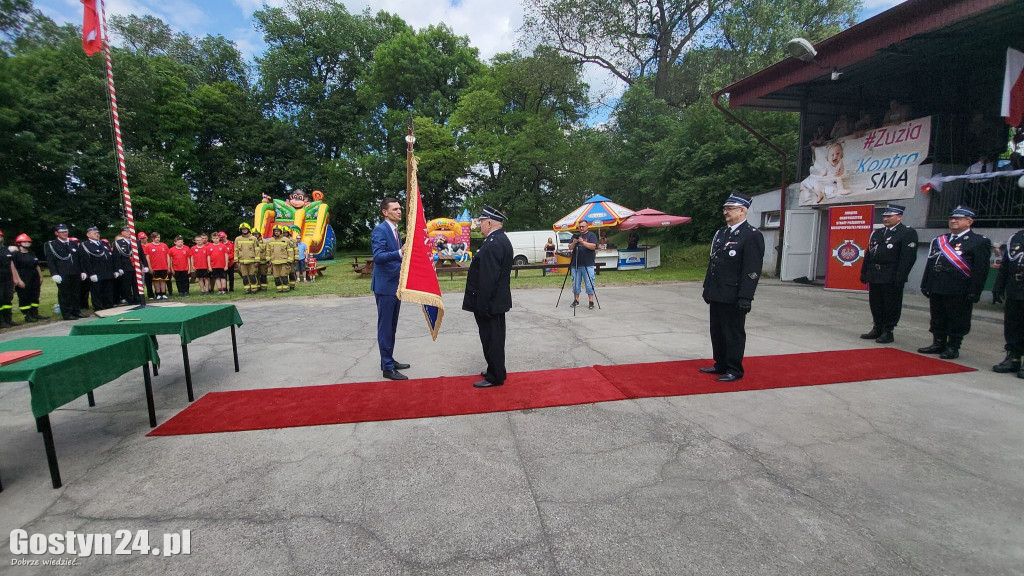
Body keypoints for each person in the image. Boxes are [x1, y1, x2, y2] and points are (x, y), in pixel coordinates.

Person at [699, 192, 765, 382]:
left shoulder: (751, 235)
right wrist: (707, 288)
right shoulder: (721, 233)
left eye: (730, 208)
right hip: (717, 292)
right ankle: (720, 363)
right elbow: (713, 263)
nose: (725, 212)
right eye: (725, 208)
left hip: (734, 294)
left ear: (742, 210)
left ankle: (734, 369)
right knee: (717, 331)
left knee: (733, 333)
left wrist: (746, 296)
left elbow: (752, 269)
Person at [918, 206, 992, 359]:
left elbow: (980, 270)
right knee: (937, 316)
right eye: (952, 218)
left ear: (969, 221)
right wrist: (926, 283)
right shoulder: (940, 240)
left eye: (958, 218)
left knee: (956, 318)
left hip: (959, 288)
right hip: (937, 285)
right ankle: (938, 343)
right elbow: (931, 263)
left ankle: (953, 346)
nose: (953, 221)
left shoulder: (978, 241)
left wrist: (974, 291)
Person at [463, 205, 513, 388]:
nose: (480, 225)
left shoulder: (493, 243)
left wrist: (481, 305)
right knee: (496, 338)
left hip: (490, 303)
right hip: (496, 301)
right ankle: (498, 369)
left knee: (492, 339)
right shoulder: (500, 239)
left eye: (482, 222)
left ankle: (495, 376)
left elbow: (488, 278)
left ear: (490, 223)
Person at [858, 204, 919, 343]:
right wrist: (864, 272)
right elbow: (869, 254)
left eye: (889, 216)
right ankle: (877, 327)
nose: (886, 218)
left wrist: (900, 277)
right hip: (875, 274)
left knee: (891, 304)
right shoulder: (877, 233)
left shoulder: (906, 233)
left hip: (891, 275)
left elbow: (907, 258)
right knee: (876, 303)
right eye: (884, 216)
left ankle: (888, 330)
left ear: (899, 217)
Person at [371, 197, 410, 380]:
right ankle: (387, 367)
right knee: (385, 326)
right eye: (395, 209)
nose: (399, 211)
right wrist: (400, 253)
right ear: (385, 212)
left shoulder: (395, 231)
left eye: (400, 208)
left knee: (392, 326)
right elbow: (378, 256)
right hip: (385, 286)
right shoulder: (380, 230)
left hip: (395, 284)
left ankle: (389, 359)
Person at [992, 229, 1024, 377]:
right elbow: (1005, 266)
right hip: (1015, 289)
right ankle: (1013, 358)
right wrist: (998, 287)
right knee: (1012, 325)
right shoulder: (1017, 237)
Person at [44, 224, 84, 320]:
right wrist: (54, 273)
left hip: (75, 272)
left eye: (66, 231)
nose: (64, 233)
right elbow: (50, 260)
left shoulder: (73, 243)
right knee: (65, 294)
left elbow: (79, 259)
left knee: (76, 293)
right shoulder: (52, 244)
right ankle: (67, 313)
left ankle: (76, 311)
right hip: (63, 273)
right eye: (62, 232)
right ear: (56, 233)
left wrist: (82, 271)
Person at [79, 226, 118, 310]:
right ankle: (98, 307)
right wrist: (91, 273)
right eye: (95, 233)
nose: (97, 235)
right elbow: (85, 261)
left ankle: (108, 305)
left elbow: (111, 257)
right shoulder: (85, 245)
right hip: (96, 272)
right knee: (97, 291)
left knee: (108, 290)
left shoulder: (104, 244)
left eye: (98, 233)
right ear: (88, 235)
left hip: (108, 271)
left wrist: (115, 270)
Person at [12, 233, 43, 322]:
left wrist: (40, 276)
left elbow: (37, 266)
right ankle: (27, 314)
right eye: (24, 242)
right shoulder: (16, 255)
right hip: (23, 277)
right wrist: (18, 280)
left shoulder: (31, 253)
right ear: (19, 243)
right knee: (24, 296)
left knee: (35, 295)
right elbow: (14, 268)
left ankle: (35, 313)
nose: (27, 243)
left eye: (28, 242)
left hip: (34, 276)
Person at [569, 220, 598, 309]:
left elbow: (593, 246)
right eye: (580, 226)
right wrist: (574, 242)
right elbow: (570, 247)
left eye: (583, 226)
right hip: (576, 264)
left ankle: (591, 301)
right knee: (575, 283)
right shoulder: (575, 236)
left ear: (587, 226)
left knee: (589, 283)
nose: (581, 228)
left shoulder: (591, 235)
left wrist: (582, 242)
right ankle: (576, 300)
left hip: (588, 263)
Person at [0, 230, 24, 328]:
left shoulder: (5, 249)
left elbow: (11, 264)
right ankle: (1, 321)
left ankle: (8, 319)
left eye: (1, 236)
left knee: (8, 299)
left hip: (7, 277)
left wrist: (16, 278)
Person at [113, 226, 139, 304]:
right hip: (125, 267)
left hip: (135, 266)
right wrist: (119, 268)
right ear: (122, 233)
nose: (129, 233)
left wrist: (144, 265)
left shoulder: (136, 242)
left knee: (136, 284)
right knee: (126, 285)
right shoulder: (118, 243)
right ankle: (129, 299)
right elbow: (116, 257)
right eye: (127, 231)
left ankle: (137, 298)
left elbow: (141, 254)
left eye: (130, 231)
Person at [234, 223, 261, 294]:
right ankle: (247, 289)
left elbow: (257, 250)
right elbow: (236, 250)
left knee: (252, 275)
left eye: (245, 229)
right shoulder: (238, 239)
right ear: (241, 230)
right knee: (244, 276)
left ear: (248, 229)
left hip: (252, 260)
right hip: (242, 261)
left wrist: (257, 260)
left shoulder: (253, 238)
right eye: (243, 229)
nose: (244, 230)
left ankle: (254, 288)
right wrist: (236, 260)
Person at [143, 232, 170, 300]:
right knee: (156, 281)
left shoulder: (164, 245)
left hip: (163, 266)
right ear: (152, 238)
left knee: (163, 280)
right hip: (154, 266)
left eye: (158, 237)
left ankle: (163, 293)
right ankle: (158, 293)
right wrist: (149, 267)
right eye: (156, 237)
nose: (158, 239)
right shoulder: (148, 246)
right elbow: (147, 257)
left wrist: (168, 266)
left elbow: (167, 256)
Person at [266, 226, 292, 293]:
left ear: (281, 232)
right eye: (275, 231)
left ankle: (286, 288)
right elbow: (268, 251)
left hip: (284, 262)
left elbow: (290, 251)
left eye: (278, 231)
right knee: (276, 277)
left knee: (284, 275)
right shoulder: (270, 241)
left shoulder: (286, 240)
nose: (276, 232)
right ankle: (279, 289)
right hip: (274, 262)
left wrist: (289, 260)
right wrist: (268, 260)